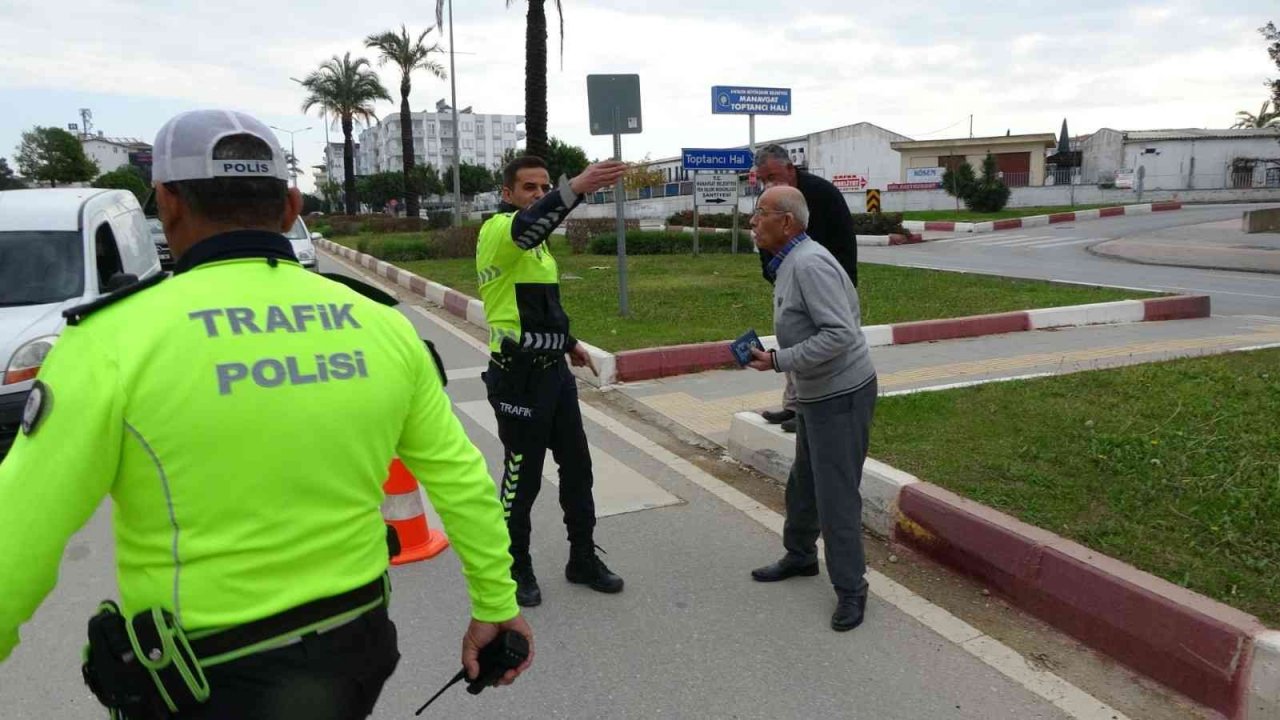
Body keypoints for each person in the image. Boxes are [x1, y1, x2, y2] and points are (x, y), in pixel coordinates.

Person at [0, 109, 531, 718]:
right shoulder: (381, 324)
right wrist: (496, 604)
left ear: (168, 204)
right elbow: (460, 478)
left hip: (203, 677)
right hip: (356, 645)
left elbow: (16, 537)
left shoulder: (111, 340)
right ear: (290, 206)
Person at [477, 155, 628, 608]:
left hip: (555, 376)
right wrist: (576, 186)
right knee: (521, 480)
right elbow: (530, 225)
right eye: (529, 187)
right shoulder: (500, 231)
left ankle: (581, 558)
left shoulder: (539, 246)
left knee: (578, 471)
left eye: (544, 187)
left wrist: (569, 342)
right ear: (508, 194)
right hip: (517, 378)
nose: (539, 194)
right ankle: (515, 564)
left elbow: (538, 306)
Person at [744, 186, 878, 632]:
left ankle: (851, 590)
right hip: (814, 393)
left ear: (787, 221)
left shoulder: (810, 264)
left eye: (760, 213)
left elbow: (841, 334)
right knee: (804, 481)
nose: (752, 220)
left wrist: (780, 360)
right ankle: (800, 555)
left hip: (840, 395)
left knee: (835, 494)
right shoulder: (789, 262)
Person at [753, 144, 858, 433]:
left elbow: (844, 242)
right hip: (791, 279)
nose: (770, 184)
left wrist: (837, 283)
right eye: (764, 179)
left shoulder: (822, 194)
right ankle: (793, 407)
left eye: (774, 175)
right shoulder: (772, 199)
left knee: (815, 347)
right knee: (793, 339)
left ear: (791, 167)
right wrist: (777, 277)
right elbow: (766, 242)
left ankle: (808, 410)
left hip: (823, 282)